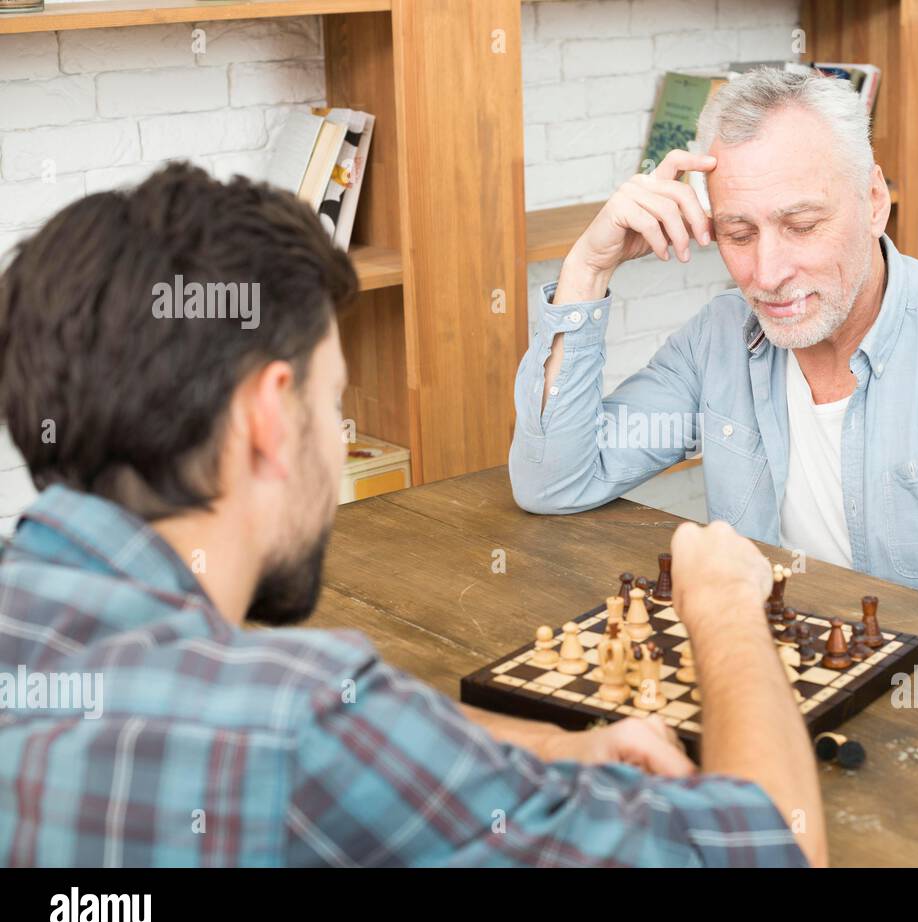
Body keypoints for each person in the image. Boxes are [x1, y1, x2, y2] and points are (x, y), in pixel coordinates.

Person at [0, 163, 824, 867]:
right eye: (334, 403)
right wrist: (722, 609)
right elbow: (766, 847)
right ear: (268, 419)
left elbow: (202, 677)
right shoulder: (299, 728)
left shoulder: (51, 621)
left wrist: (539, 742)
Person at [509, 68, 918, 728]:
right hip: (778, 709)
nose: (768, 273)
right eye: (739, 233)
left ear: (873, 201)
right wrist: (588, 267)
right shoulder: (719, 341)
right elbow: (555, 479)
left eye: (802, 223)